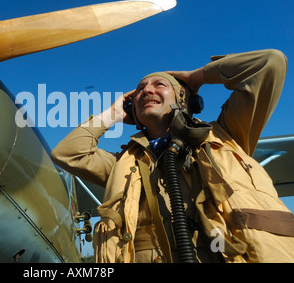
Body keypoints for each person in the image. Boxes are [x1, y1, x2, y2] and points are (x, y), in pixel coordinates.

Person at [51, 49, 294, 263]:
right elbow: (68, 153)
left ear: (182, 98)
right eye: (138, 91)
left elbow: (270, 62)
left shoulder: (226, 134)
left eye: (160, 85)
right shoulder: (124, 165)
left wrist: (196, 77)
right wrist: (113, 113)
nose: (147, 90)